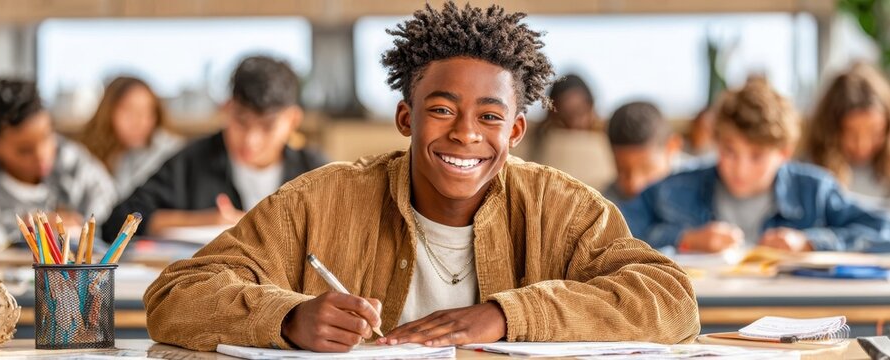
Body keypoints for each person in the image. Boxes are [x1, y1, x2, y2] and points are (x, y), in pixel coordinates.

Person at [143, 3, 699, 353]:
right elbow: (175, 295)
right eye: (441, 109)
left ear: (516, 131)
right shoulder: (321, 199)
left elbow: (672, 301)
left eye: (490, 116)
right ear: (405, 117)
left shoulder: (561, 207)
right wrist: (287, 317)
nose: (465, 134)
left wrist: (505, 317)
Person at [622, 78, 890, 253]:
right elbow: (616, 236)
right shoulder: (675, 188)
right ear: (716, 142)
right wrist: (685, 238)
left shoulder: (815, 190)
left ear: (784, 153)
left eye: (757, 156)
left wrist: (809, 242)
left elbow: (883, 228)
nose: (740, 168)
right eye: (729, 151)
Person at [101, 56, 327, 238]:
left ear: (293, 120)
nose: (251, 140)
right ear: (227, 109)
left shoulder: (317, 173)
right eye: (241, 121)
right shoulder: (190, 162)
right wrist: (200, 221)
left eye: (267, 127)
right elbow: (116, 224)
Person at [0, 78, 116, 251]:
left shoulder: (70, 159)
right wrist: (21, 228)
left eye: (47, 137)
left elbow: (109, 200)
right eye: (25, 150)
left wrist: (80, 224)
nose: (42, 155)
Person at [77, 76, 185, 200]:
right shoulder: (84, 157)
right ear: (108, 111)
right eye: (129, 110)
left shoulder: (170, 155)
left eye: (148, 112)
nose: (140, 121)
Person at [802, 64, 890, 209]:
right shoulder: (810, 169)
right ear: (831, 129)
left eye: (875, 133)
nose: (863, 145)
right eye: (851, 134)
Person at [603, 101, 697, 205]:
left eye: (646, 168)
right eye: (622, 171)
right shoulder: (609, 202)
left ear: (672, 147)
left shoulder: (701, 188)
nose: (634, 185)